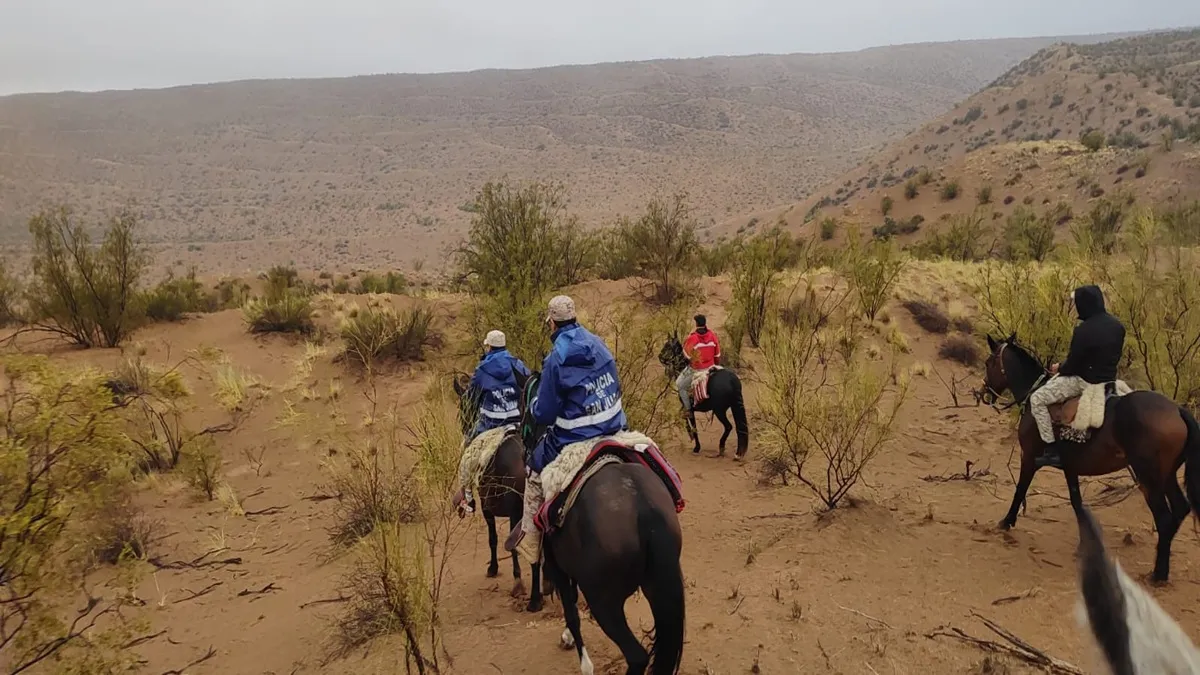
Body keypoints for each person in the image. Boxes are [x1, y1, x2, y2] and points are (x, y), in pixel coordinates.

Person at [504, 295, 626, 553]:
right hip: (614, 426)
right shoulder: (599, 344)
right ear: (574, 317)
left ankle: (531, 542)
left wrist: (535, 404)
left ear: (552, 324)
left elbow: (545, 414)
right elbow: (616, 385)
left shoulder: (555, 359)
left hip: (573, 437)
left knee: (534, 471)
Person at [1030, 285, 1126, 467]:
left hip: (1085, 382)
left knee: (1037, 399)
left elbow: (1074, 365)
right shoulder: (1118, 326)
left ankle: (1051, 450)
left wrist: (1059, 367)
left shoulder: (1083, 331)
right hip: (1110, 381)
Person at [456, 330, 530, 514]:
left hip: (490, 423)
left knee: (466, 452)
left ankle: (468, 498)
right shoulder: (517, 364)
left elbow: (472, 398)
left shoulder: (482, 369)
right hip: (517, 421)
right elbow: (529, 385)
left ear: (489, 347)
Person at [675, 314, 721, 412]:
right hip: (711, 367)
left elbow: (687, 356)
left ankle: (688, 410)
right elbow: (717, 355)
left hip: (697, 369)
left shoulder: (693, 338)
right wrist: (715, 365)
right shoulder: (713, 336)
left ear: (696, 324)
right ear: (705, 324)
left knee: (679, 385)